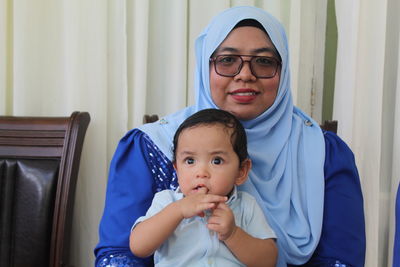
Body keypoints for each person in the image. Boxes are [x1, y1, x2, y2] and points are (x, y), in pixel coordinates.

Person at [95, 6, 365, 267]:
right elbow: (121, 255)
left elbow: (340, 260)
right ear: (204, 67)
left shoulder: (323, 152)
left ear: (283, 72)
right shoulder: (152, 145)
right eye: (227, 60)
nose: (245, 75)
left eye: (264, 61)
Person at [129, 108, 277, 267]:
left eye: (217, 161)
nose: (201, 173)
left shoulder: (246, 205)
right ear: (177, 169)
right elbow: (138, 246)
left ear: (241, 171)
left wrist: (233, 233)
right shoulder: (167, 201)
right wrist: (177, 211)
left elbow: (268, 261)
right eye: (190, 161)